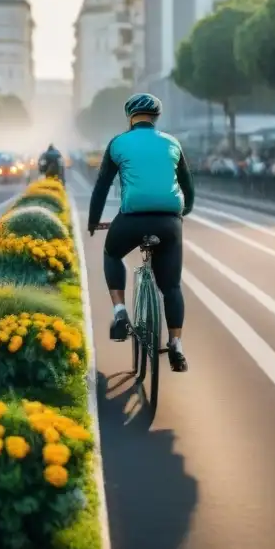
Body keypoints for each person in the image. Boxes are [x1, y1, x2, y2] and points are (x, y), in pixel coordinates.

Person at [87, 93, 195, 373]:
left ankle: (120, 311)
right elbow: (188, 187)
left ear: (130, 117)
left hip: (132, 219)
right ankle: (176, 345)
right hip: (169, 222)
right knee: (171, 287)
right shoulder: (173, 143)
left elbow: (101, 188)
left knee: (112, 253)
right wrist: (183, 213)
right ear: (156, 118)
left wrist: (92, 221)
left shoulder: (118, 143)